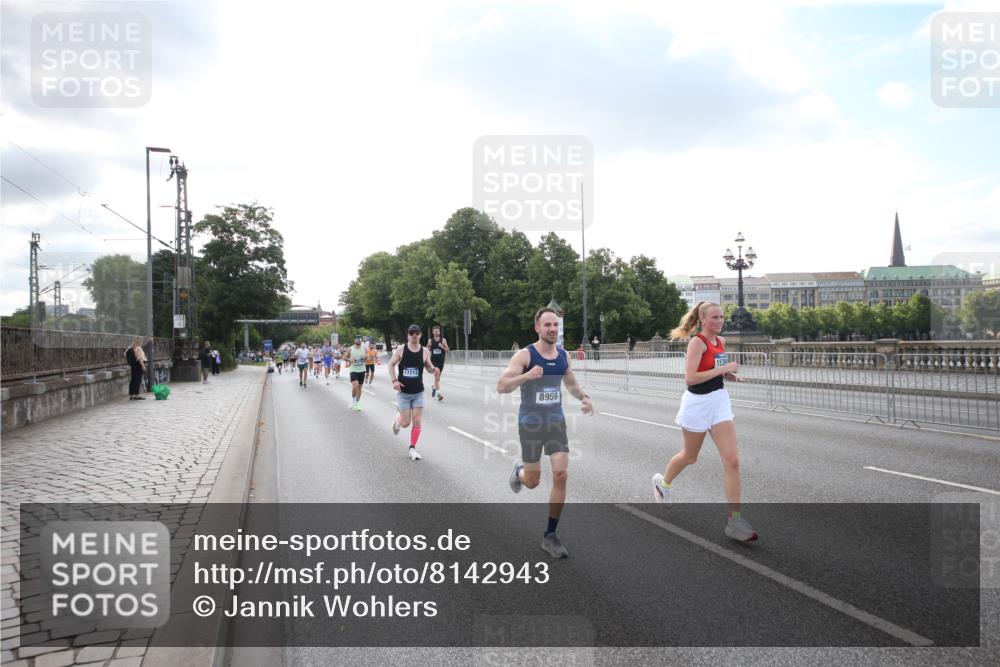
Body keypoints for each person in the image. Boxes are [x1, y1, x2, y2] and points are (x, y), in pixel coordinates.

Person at [652, 301, 757, 543]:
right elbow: (690, 378)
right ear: (703, 320)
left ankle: (735, 520)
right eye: (715, 317)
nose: (720, 321)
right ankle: (663, 484)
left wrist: (730, 374)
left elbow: (715, 369)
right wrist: (725, 368)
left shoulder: (720, 342)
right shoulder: (696, 342)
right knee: (690, 456)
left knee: (732, 460)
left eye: (721, 317)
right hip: (697, 404)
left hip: (719, 401)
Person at [498, 307, 595, 559]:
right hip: (530, 423)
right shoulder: (525, 355)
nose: (553, 329)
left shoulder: (563, 356)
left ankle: (550, 535)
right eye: (547, 325)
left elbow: (571, 383)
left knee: (561, 475)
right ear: (537, 328)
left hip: (555, 423)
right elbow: (502, 386)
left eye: (555, 325)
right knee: (533, 481)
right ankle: (519, 472)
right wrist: (527, 375)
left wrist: (584, 397)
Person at [388, 324, 441, 461]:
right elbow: (390, 364)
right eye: (411, 333)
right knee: (406, 423)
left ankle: (412, 449)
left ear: (420, 335)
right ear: (408, 335)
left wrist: (434, 369)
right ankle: (398, 420)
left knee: (417, 420)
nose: (414, 335)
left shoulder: (424, 351)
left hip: (418, 392)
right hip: (404, 393)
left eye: (416, 333)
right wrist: (394, 381)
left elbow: (428, 366)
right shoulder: (401, 349)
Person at [344, 335, 367, 411]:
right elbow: (344, 357)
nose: (358, 341)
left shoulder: (364, 348)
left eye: (360, 339)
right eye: (357, 339)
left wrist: (365, 357)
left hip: (362, 370)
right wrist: (349, 359)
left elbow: (368, 358)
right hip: (353, 370)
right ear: (354, 340)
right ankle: (353, 399)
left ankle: (357, 403)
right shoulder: (350, 349)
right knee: (355, 385)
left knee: (360, 387)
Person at [427, 325, 449, 401]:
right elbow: (427, 350)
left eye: (438, 331)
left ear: (439, 332)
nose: (436, 332)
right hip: (433, 361)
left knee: (437, 378)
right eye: (435, 331)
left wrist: (442, 346)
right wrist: (428, 347)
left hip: (441, 361)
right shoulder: (430, 340)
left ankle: (434, 387)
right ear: (433, 332)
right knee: (437, 376)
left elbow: (447, 350)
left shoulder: (443, 340)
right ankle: (438, 394)